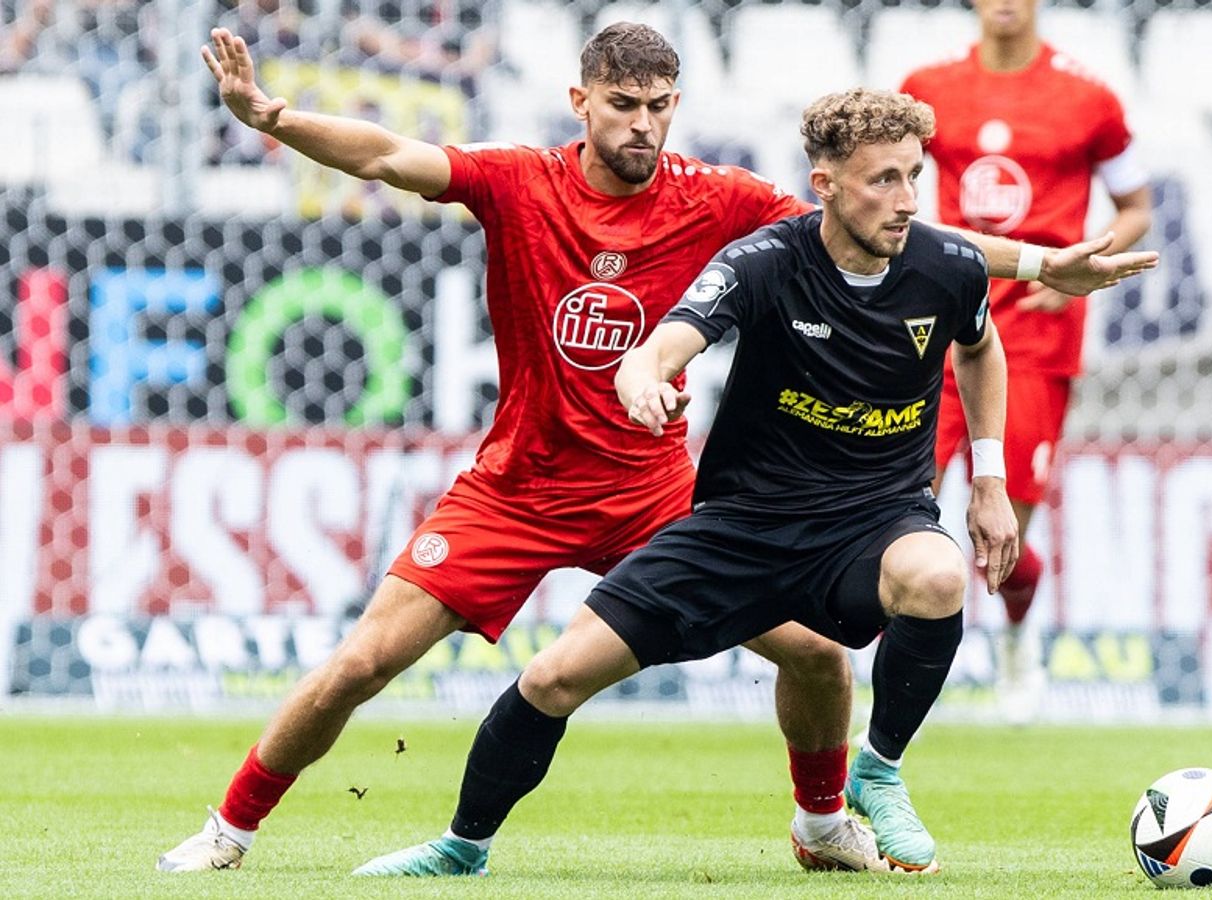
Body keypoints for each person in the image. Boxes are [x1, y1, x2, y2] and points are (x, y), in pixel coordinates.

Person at [158, 23, 1158, 875]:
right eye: (626, 104)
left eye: (661, 105)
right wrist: (274, 117)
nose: (644, 124)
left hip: (655, 491)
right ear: (580, 101)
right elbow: (386, 154)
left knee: (815, 655)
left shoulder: (717, 200)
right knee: (363, 661)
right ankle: (228, 829)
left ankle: (820, 825)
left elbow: (882, 221)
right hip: (518, 486)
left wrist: (1037, 263)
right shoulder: (519, 184)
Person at [356, 87, 1018, 879]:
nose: (906, 200)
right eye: (884, 179)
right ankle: (463, 847)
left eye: (915, 176)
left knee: (938, 576)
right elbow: (668, 339)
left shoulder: (947, 267)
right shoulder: (763, 260)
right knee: (554, 676)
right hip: (742, 527)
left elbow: (979, 346)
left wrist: (989, 477)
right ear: (827, 183)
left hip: (870, 521)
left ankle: (872, 773)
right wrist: (643, 377)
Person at [899, 0, 1153, 721]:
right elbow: (890, 181)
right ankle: (893, 686)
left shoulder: (1089, 97)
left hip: (1038, 336)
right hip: (938, 323)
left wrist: (1078, 267)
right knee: (893, 510)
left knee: (999, 532)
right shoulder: (929, 88)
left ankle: (1017, 642)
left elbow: (1135, 206)